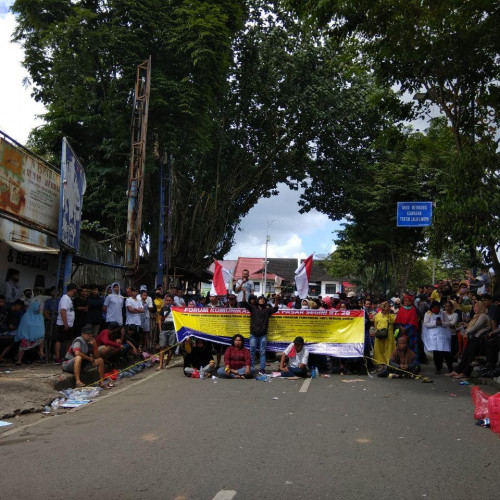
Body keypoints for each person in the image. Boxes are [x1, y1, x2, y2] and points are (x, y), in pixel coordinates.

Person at [448, 301, 491, 379]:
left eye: (477, 306)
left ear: (481, 307)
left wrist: (466, 332)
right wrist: (467, 325)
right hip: (474, 338)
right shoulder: (476, 316)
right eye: (474, 306)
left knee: (470, 357)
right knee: (465, 355)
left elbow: (476, 327)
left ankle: (465, 373)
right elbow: (473, 326)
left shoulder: (483, 316)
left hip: (478, 339)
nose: (475, 308)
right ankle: (457, 371)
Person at [241, 291, 280, 375]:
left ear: (265, 302)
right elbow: (244, 302)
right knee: (252, 352)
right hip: (253, 334)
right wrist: (244, 293)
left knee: (262, 352)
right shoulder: (253, 308)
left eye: (263, 299)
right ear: (257, 301)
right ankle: (251, 368)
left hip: (263, 335)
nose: (262, 300)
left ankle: (262, 368)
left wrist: (276, 299)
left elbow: (276, 308)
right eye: (260, 299)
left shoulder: (267, 310)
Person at [422, 301, 451, 374]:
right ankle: (438, 368)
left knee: (445, 351)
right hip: (433, 336)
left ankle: (450, 368)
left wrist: (442, 323)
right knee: (436, 352)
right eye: (434, 308)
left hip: (442, 335)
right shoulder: (428, 314)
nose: (436, 309)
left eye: (438, 308)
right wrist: (435, 323)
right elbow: (426, 324)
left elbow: (448, 323)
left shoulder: (443, 313)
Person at [54, 283, 78, 364]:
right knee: (60, 340)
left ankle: (66, 356)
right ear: (73, 290)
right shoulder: (65, 298)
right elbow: (63, 311)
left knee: (68, 340)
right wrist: (66, 324)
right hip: (63, 324)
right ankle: (57, 357)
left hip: (70, 324)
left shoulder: (69, 299)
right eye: (75, 290)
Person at [373, 301, 396, 367]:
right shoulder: (378, 315)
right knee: (379, 349)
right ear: (383, 308)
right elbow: (375, 325)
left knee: (388, 349)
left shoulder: (390, 315)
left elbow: (393, 321)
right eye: (387, 306)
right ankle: (380, 363)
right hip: (380, 335)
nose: (389, 308)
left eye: (389, 306)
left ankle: (389, 362)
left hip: (389, 335)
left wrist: (390, 314)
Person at [157, 294, 176, 370]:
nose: (168, 302)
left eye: (170, 300)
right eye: (167, 300)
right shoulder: (163, 308)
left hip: (173, 330)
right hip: (164, 330)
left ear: (173, 301)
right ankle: (160, 365)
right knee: (162, 347)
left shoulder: (176, 309)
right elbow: (160, 319)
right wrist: (160, 329)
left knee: (171, 348)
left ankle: (167, 363)